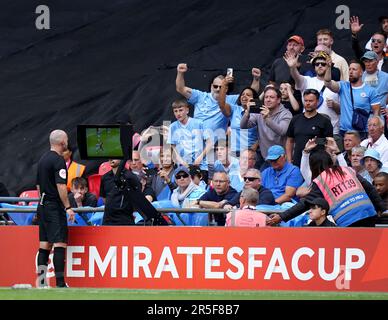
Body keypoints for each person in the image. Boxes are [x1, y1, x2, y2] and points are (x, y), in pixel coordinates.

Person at [267, 148, 384, 227]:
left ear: (313, 166)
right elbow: (369, 188)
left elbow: (304, 204)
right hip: (369, 213)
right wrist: (380, 207)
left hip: (348, 221)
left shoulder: (321, 181)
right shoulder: (346, 169)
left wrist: (281, 217)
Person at [36, 129, 75, 288]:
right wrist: (68, 207)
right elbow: (61, 186)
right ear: (62, 143)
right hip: (53, 206)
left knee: (44, 245)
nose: (67, 142)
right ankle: (60, 284)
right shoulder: (58, 161)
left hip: (42, 205)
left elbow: (38, 186)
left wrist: (41, 203)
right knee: (60, 243)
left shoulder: (42, 159)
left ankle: (43, 282)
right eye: (66, 140)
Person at [285, 50, 340, 139]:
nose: (320, 66)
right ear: (314, 67)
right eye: (317, 64)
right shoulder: (307, 80)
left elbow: (342, 110)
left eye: (323, 64)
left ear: (329, 66)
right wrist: (292, 68)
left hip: (331, 131)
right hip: (307, 130)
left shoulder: (337, 85)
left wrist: (334, 105)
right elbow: (297, 77)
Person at [323, 59, 381, 139]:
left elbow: (376, 114)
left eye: (354, 69)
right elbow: (327, 82)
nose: (350, 71)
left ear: (361, 73)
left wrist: (372, 133)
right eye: (350, 69)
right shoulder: (343, 86)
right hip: (344, 132)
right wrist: (328, 68)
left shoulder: (371, 91)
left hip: (362, 133)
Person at [240, 86, 292, 162]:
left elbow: (282, 131)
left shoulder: (286, 114)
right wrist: (247, 112)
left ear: (278, 100)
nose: (268, 100)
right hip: (265, 157)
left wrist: (267, 118)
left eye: (271, 97)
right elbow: (243, 126)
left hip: (281, 158)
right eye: (266, 97)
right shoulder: (259, 111)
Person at [167, 98, 212, 182]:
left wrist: (200, 158)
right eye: (175, 111)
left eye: (180, 110)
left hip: (200, 165)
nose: (178, 113)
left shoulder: (199, 123)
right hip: (182, 166)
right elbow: (173, 148)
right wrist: (181, 161)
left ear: (187, 110)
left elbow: (209, 143)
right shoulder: (173, 127)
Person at [286, 88, 333, 167]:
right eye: (306, 100)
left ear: (317, 102)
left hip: (317, 163)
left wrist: (316, 141)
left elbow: (329, 142)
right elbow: (289, 141)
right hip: (297, 162)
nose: (307, 103)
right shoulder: (295, 119)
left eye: (311, 101)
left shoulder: (324, 121)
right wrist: (289, 160)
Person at [218, 81, 259, 157]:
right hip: (234, 153)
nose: (244, 96)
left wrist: (253, 149)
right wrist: (224, 84)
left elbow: (263, 133)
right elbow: (221, 105)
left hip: (250, 153)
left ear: (254, 99)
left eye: (248, 95)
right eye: (242, 94)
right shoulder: (234, 109)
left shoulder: (258, 113)